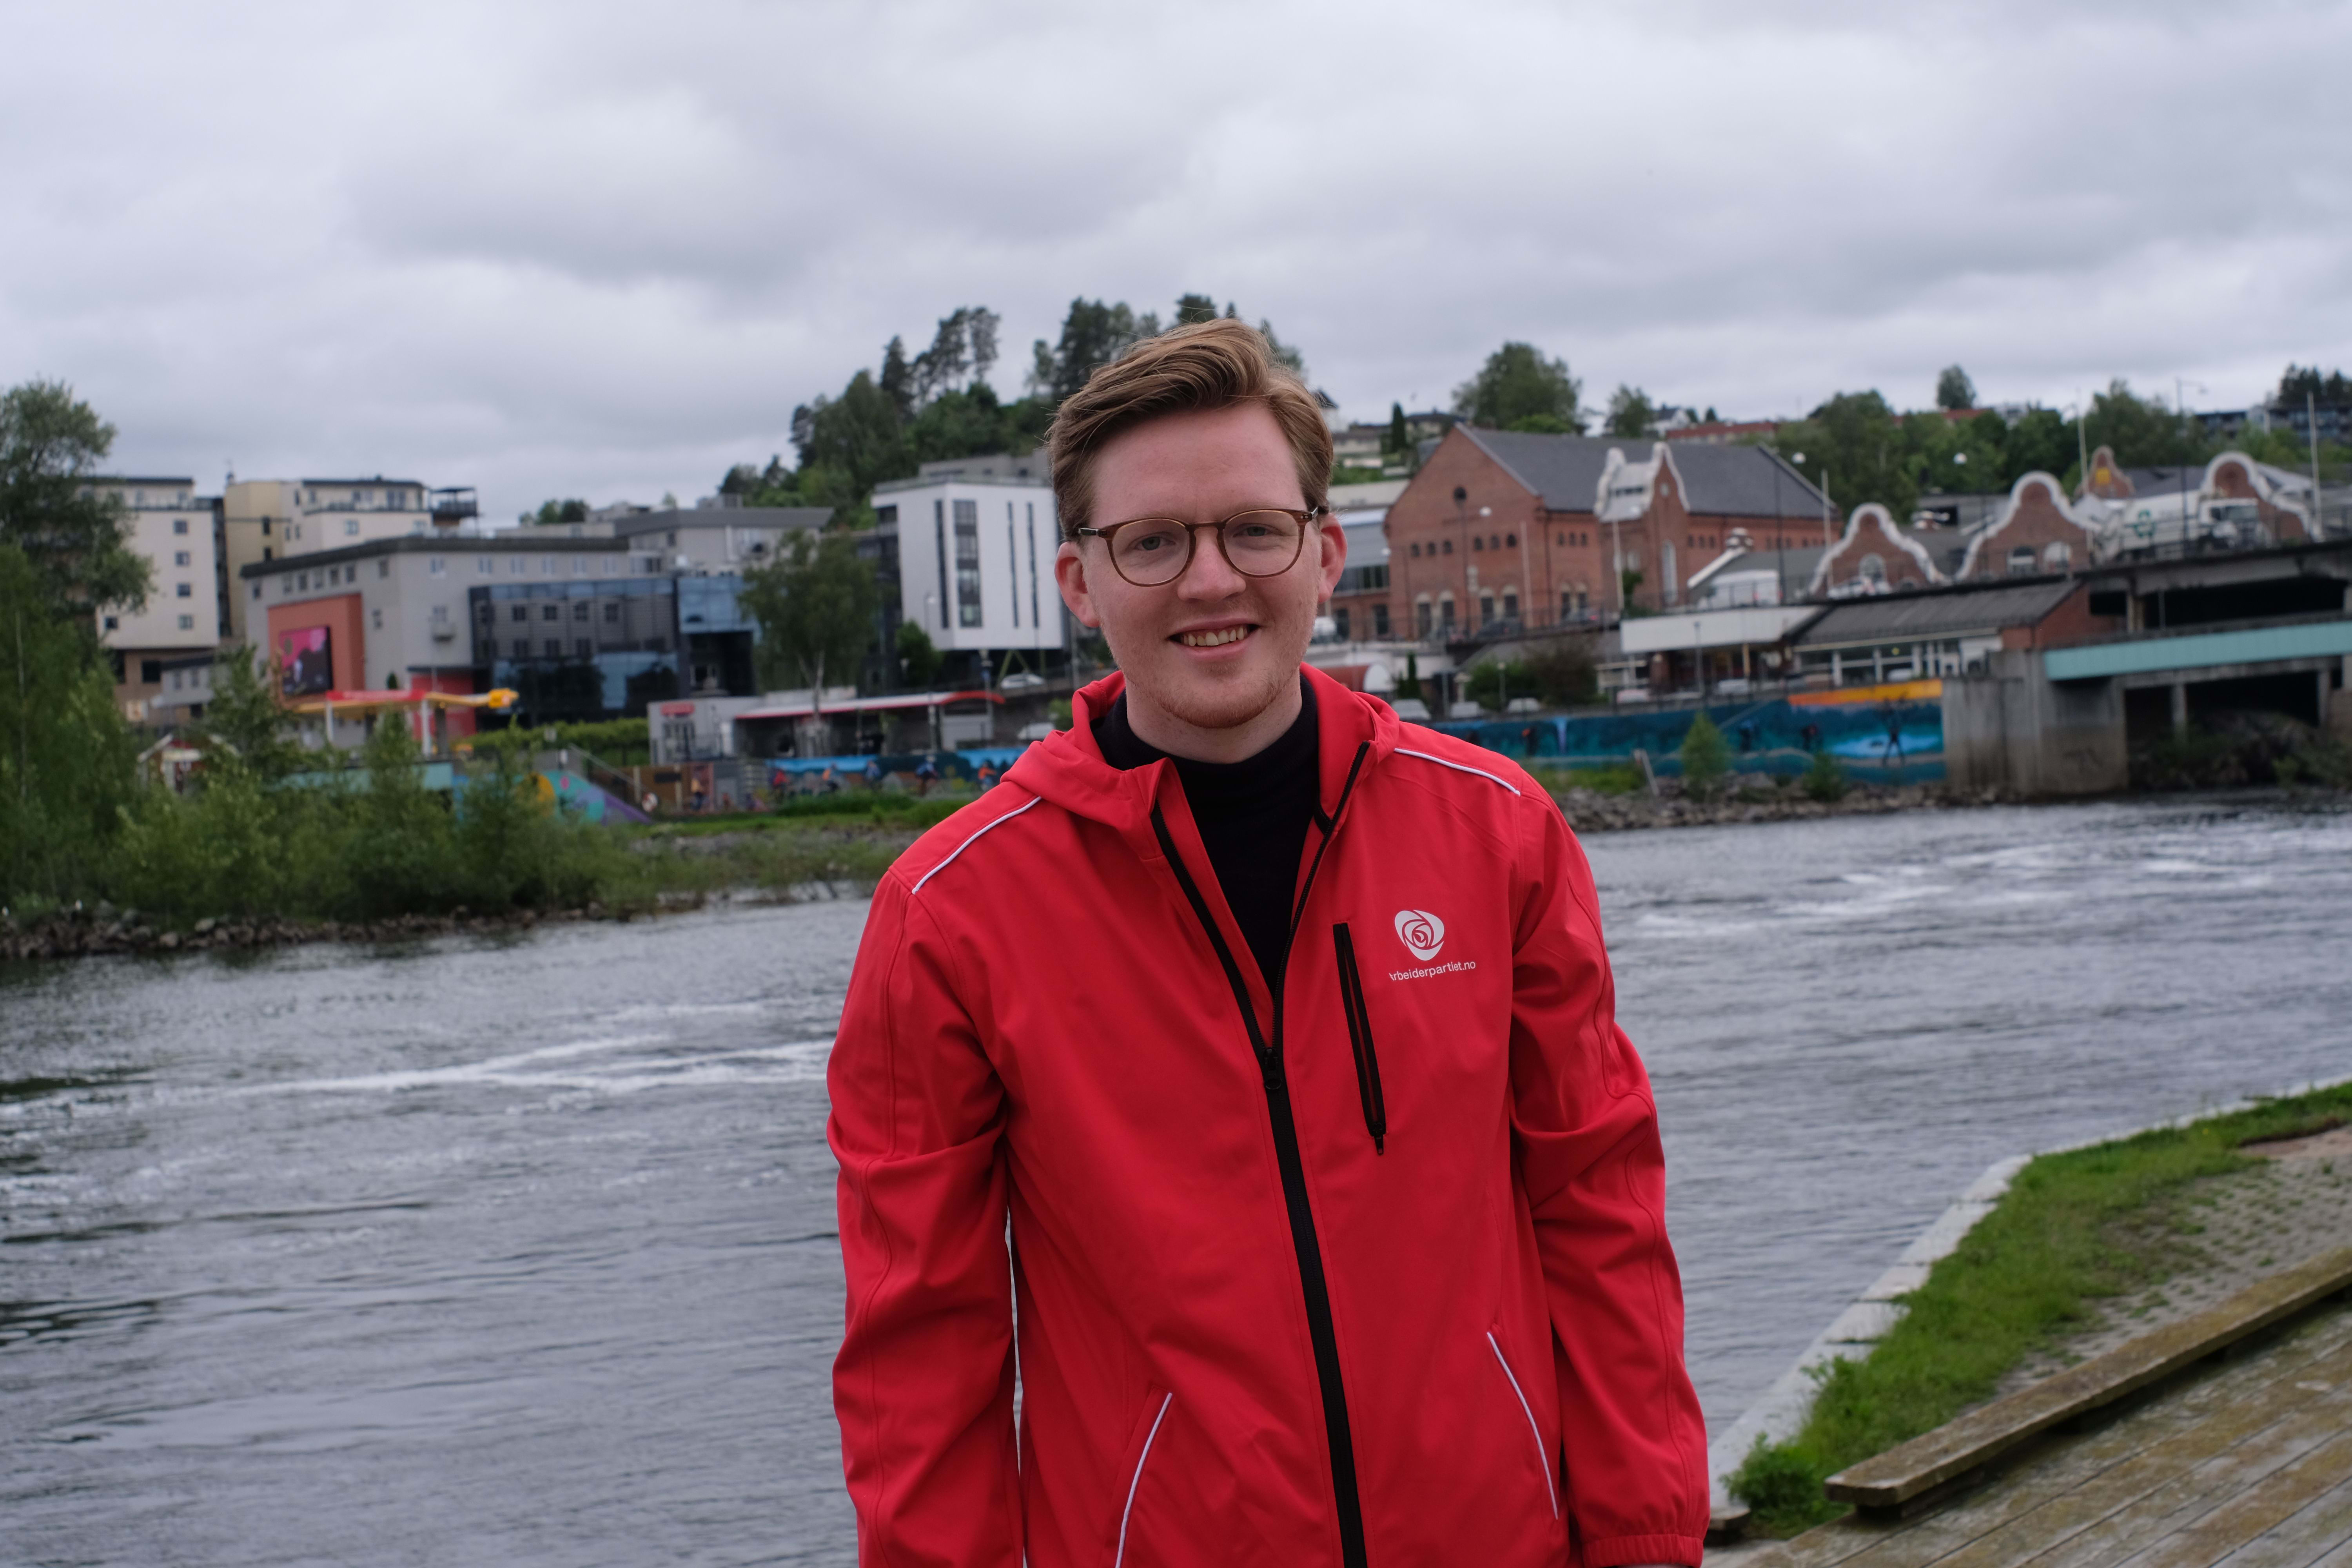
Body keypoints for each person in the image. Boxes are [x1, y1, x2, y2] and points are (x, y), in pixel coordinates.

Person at [828, 319, 1706, 1567]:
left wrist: (1645, 1542)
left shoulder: (1498, 834)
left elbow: (1602, 1218)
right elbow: (922, 1355)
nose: (1210, 581)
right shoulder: (951, 916)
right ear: (1079, 581)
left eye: (1253, 529)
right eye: (1151, 542)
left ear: (1324, 554)